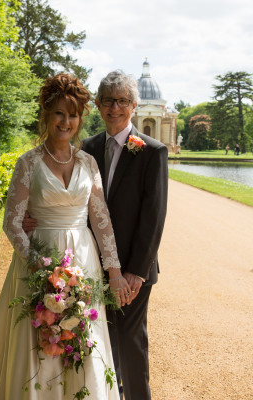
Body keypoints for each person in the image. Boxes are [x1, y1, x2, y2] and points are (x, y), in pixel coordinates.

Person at [0, 73, 130, 400]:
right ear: (46, 114)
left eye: (73, 114)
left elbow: (101, 222)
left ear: (80, 118)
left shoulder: (88, 163)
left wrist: (114, 272)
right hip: (37, 265)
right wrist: (39, 268)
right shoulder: (27, 163)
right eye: (59, 112)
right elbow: (12, 222)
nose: (66, 121)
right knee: (38, 343)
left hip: (82, 263)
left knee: (80, 340)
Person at [82, 71, 168, 400]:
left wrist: (136, 271)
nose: (114, 107)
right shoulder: (87, 148)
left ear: (134, 106)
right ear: (98, 105)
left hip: (133, 270)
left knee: (130, 341)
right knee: (98, 337)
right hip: (93, 264)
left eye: (122, 101)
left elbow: (154, 217)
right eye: (108, 100)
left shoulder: (152, 151)